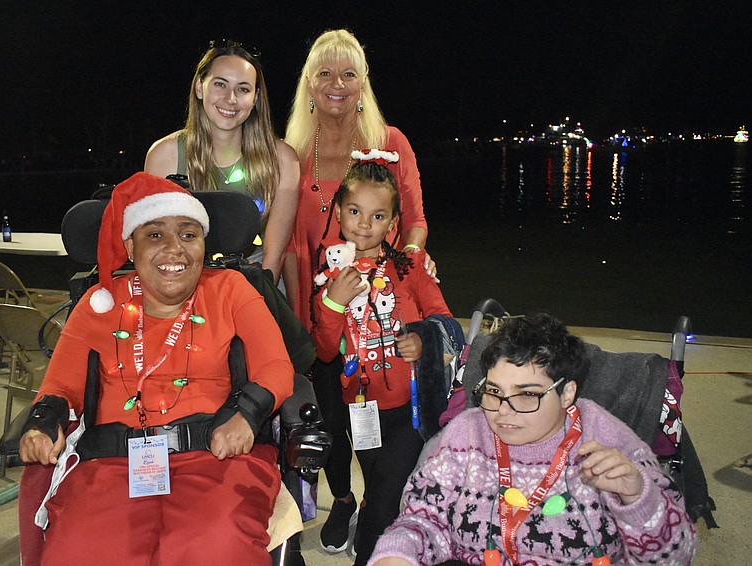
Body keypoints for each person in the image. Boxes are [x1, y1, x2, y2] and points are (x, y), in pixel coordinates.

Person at [18, 172, 294, 565]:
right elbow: (61, 383)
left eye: (188, 234)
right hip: (113, 464)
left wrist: (247, 415)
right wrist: (43, 423)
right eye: (155, 235)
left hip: (215, 455)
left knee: (212, 544)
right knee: (80, 551)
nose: (174, 250)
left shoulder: (230, 289)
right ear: (130, 245)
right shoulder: (100, 303)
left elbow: (277, 367)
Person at [369, 313, 698, 566]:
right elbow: (424, 518)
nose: (503, 412)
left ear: (567, 392)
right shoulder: (467, 433)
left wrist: (638, 499)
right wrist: (396, 554)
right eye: (494, 392)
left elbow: (676, 556)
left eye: (526, 395)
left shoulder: (609, 441)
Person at [283, 29, 434, 555]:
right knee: (327, 414)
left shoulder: (390, 143)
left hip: (380, 315)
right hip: (317, 305)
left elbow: (413, 221)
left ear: (363, 84)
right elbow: (285, 241)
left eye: (349, 73)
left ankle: (379, 499)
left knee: (378, 405)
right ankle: (343, 499)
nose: (337, 84)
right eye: (324, 72)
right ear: (308, 84)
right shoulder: (293, 154)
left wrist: (411, 268)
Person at [310, 152, 456, 565]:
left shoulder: (409, 268)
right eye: (354, 211)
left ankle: (371, 552)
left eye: (377, 216)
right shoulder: (330, 277)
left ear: (393, 224)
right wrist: (334, 304)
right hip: (361, 409)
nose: (363, 224)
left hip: (410, 410)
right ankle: (382, 536)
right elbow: (323, 351)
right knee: (377, 488)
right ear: (338, 213)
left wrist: (424, 341)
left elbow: (446, 322)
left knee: (385, 497)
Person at [145, 40, 299, 284]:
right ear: (199, 87)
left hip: (257, 280)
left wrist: (253, 306)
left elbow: (274, 254)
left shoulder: (283, 160)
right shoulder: (165, 156)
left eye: (243, 89)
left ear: (255, 97)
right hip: (185, 280)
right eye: (220, 84)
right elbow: (155, 243)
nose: (231, 99)